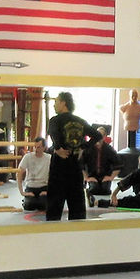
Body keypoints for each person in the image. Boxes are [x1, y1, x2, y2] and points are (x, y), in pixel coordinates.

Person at [46, 92, 101, 221]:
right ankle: (77, 230)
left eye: (56, 102)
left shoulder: (55, 120)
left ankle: (51, 229)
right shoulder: (79, 121)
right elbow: (97, 135)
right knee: (76, 201)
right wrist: (83, 147)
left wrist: (58, 148)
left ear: (63, 103)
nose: (54, 105)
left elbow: (53, 134)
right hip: (75, 164)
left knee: (55, 201)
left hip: (59, 165)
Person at [81, 127, 121, 200]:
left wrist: (111, 177)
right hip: (92, 176)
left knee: (105, 191)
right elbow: (81, 165)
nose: (99, 137)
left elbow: (118, 165)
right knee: (94, 190)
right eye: (97, 135)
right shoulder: (88, 148)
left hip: (105, 176)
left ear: (105, 136)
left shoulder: (110, 149)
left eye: (102, 135)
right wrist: (86, 178)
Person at [16, 136, 50, 212]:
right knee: (29, 206)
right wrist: (22, 192)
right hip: (31, 186)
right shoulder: (28, 157)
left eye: (38, 147)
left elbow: (55, 176)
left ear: (44, 148)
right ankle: (27, 200)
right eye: (34, 147)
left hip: (44, 187)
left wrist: (49, 191)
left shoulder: (49, 158)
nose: (36, 149)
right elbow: (19, 173)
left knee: (43, 206)